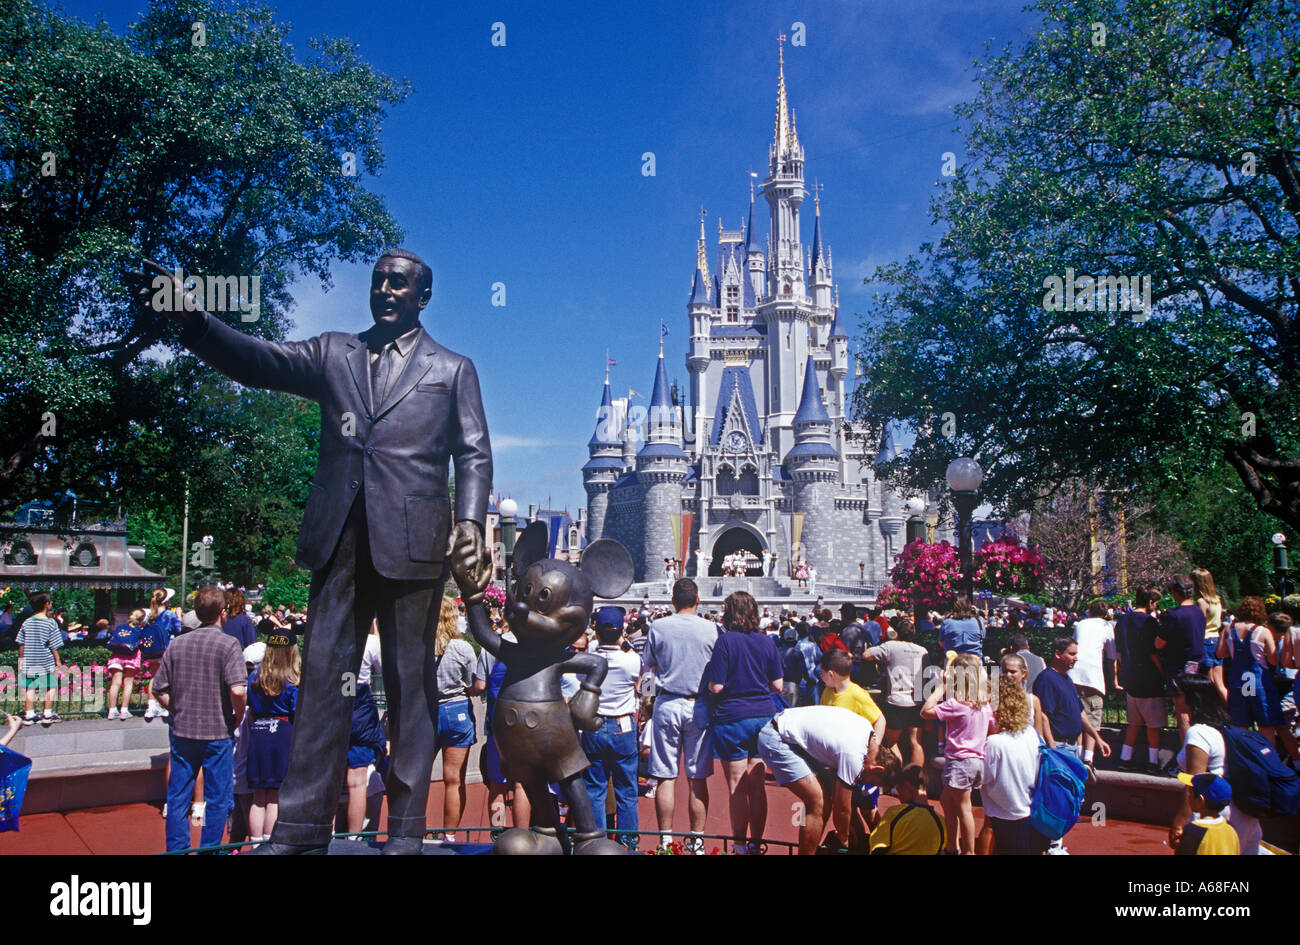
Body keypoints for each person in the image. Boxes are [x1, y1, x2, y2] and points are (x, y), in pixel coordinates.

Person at [136, 247, 493, 856]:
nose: (384, 289)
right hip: (339, 543)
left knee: (412, 691)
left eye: (398, 283)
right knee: (325, 683)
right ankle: (300, 831)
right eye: (378, 280)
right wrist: (193, 320)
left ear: (422, 296)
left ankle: (403, 834)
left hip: (415, 546)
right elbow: (259, 362)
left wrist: (471, 521)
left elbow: (475, 453)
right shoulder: (333, 351)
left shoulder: (452, 369)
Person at [150, 585, 248, 852]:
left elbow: (158, 689)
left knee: (178, 797)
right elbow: (238, 689)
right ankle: (209, 850)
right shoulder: (228, 644)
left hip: (183, 730)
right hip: (217, 731)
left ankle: (178, 849)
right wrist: (238, 717)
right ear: (223, 612)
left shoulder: (177, 643)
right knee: (217, 799)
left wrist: (177, 709)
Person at [643, 577, 719, 853]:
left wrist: (647, 701)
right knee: (697, 777)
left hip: (667, 702)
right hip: (699, 705)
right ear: (698, 600)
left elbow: (648, 670)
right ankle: (697, 842)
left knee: (665, 776)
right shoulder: (711, 629)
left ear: (672, 601)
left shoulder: (658, 626)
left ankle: (665, 841)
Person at [703, 591, 782, 855]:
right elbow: (778, 685)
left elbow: (716, 686)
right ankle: (757, 843)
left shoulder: (725, 641)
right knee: (757, 785)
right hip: (763, 716)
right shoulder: (767, 642)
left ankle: (738, 846)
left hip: (732, 717)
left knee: (736, 784)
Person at [757, 704, 884, 855]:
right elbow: (842, 808)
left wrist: (847, 829)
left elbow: (843, 802)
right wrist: (844, 838)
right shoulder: (854, 756)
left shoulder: (868, 735)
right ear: (877, 769)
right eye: (871, 780)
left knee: (828, 798)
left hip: (790, 731)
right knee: (818, 802)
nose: (865, 782)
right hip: (777, 738)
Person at [1168, 673, 1261, 854]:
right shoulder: (1222, 728)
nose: (1173, 699)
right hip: (1245, 815)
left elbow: (1194, 782)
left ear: (1193, 698)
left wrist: (1179, 823)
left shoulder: (1198, 733)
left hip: (1217, 816)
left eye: (1178, 694)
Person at [581, 605, 642, 849]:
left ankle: (597, 845)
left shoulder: (589, 657)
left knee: (595, 789)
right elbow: (642, 683)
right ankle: (628, 845)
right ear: (621, 630)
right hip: (622, 725)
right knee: (626, 791)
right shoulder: (631, 660)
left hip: (594, 724)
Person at [921, 652, 992, 855]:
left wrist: (941, 687)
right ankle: (952, 847)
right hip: (976, 760)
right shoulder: (984, 705)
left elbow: (926, 711)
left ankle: (968, 851)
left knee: (963, 808)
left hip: (960, 761)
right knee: (947, 801)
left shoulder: (957, 704)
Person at [1218, 596, 1299, 762]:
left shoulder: (1229, 630)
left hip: (1238, 682)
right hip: (1259, 682)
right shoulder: (1262, 632)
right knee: (1266, 727)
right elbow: (1273, 660)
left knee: (1239, 726)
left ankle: (1240, 763)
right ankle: (1271, 764)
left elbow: (1220, 653)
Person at [980, 672, 1049, 855]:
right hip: (1033, 815)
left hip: (1007, 819)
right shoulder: (1031, 734)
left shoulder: (994, 744)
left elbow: (980, 778)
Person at [428, 595, 477, 842]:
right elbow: (474, 684)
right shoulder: (462, 647)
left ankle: (411, 830)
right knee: (454, 780)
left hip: (427, 710)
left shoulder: (421, 645)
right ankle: (449, 834)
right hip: (456, 709)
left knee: (417, 776)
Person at [246, 627, 300, 843]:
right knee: (276, 794)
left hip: (259, 731)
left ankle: (255, 841)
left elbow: (251, 709)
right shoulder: (293, 679)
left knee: (258, 796)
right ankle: (270, 841)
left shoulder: (254, 677)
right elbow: (297, 712)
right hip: (282, 732)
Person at [1033, 638, 1112, 766]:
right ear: (1058, 654)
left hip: (1072, 747)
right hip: (1058, 747)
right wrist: (1052, 746)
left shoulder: (1067, 679)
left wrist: (1097, 739)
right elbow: (1043, 715)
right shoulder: (1046, 679)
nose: (1076, 658)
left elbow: (1080, 712)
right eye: (1072, 654)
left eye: (1076, 654)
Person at [1113, 585, 1166, 773]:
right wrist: (1164, 674)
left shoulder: (1122, 621)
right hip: (1149, 678)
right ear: (1150, 602)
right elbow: (1154, 653)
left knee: (1133, 723)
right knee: (1153, 725)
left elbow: (1119, 653)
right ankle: (1152, 762)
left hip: (1130, 678)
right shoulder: (1150, 623)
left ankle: (1125, 758)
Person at [864, 617, 929, 767]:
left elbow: (866, 655)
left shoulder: (891, 646)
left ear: (897, 633)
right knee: (916, 743)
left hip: (897, 700)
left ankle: (897, 779)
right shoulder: (923, 650)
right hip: (917, 700)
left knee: (891, 742)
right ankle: (917, 782)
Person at [345, 621, 388, 837]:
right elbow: (383, 670)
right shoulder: (368, 642)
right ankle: (352, 839)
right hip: (356, 706)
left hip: (331, 703)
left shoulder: (331, 633)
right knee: (356, 782)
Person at [1156, 576, 1206, 743]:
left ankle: (1187, 753)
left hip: (1178, 667)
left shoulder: (1174, 615)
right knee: (1196, 711)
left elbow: (1159, 643)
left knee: (1182, 712)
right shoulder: (1199, 612)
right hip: (1197, 666)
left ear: (1175, 592)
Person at [1070, 600, 1116, 764]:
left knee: (1077, 716)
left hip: (1074, 673)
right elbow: (1111, 657)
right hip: (1093, 676)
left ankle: (1077, 754)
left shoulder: (1080, 624)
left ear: (1089, 611)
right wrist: (1114, 680)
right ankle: (1088, 758)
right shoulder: (1107, 627)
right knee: (1092, 718)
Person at [867, 762, 945, 855]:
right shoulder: (941, 822)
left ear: (907, 786)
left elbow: (878, 848)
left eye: (899, 792)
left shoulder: (895, 813)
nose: (899, 798)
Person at [16, 593, 63, 726]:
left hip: (29, 660)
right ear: (46, 605)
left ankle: (29, 714)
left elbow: (21, 643)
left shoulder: (27, 622)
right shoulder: (50, 622)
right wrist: (58, 661)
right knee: (50, 686)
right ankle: (47, 714)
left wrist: (21, 660)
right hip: (45, 661)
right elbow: (54, 645)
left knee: (30, 687)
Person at [1173, 773, 1239, 855]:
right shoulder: (1231, 829)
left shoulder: (1193, 831)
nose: (1188, 797)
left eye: (1191, 793)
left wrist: (1182, 842)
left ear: (1201, 800)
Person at [140, 589, 179, 720]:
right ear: (166, 601)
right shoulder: (169, 614)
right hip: (165, 649)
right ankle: (165, 706)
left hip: (152, 651)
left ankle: (151, 706)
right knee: (168, 678)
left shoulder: (150, 614)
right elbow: (177, 629)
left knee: (154, 677)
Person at [105, 610, 145, 720]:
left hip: (117, 656)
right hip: (131, 658)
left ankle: (112, 710)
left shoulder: (121, 627)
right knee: (128, 683)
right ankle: (124, 710)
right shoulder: (139, 631)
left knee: (115, 683)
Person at [1192, 567, 1224, 691]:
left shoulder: (1201, 602)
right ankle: (1227, 707)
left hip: (1205, 640)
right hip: (1216, 638)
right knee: (1219, 682)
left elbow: (1200, 626)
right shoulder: (1217, 600)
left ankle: (1212, 708)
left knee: (1208, 681)